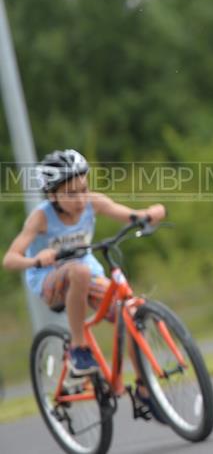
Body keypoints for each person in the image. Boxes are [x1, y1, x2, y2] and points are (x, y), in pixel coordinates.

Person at [2, 149, 167, 421]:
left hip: (86, 276)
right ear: (53, 195)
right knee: (77, 271)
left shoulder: (93, 202)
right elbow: (10, 259)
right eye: (70, 194)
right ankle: (78, 348)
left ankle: (144, 387)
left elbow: (129, 215)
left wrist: (148, 214)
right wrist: (35, 261)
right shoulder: (41, 218)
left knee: (132, 314)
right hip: (50, 281)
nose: (80, 199)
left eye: (83, 189)